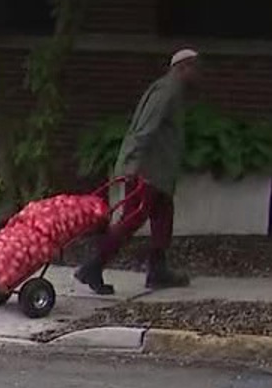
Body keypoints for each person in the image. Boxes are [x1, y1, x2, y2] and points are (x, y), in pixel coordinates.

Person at [75, 49, 199, 295]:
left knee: (163, 218)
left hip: (160, 171)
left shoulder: (171, 90)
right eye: (195, 68)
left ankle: (158, 270)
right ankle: (93, 265)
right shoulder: (167, 91)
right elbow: (144, 129)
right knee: (132, 220)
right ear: (183, 67)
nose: (198, 74)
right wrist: (130, 165)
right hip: (148, 170)